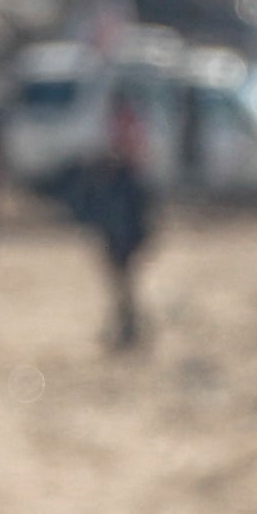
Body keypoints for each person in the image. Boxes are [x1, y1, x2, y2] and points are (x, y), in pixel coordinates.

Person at [90, 83, 158, 352]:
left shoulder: (130, 178)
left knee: (125, 281)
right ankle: (127, 326)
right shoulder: (117, 174)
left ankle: (130, 327)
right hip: (119, 230)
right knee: (121, 282)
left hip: (126, 231)